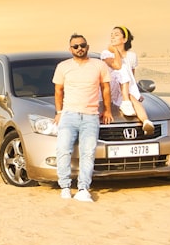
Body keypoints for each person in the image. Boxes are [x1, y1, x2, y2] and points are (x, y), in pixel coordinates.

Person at [53, 33, 113, 203]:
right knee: (63, 149)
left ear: (87, 46)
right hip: (69, 115)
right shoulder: (63, 67)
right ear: (70, 49)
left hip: (91, 116)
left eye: (82, 45)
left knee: (88, 152)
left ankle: (83, 188)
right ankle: (64, 187)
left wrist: (107, 110)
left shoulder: (99, 65)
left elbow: (105, 88)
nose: (80, 48)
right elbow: (58, 91)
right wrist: (59, 112)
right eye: (75, 46)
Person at [101, 25, 154, 133]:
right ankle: (126, 102)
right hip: (110, 87)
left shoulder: (132, 56)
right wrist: (115, 50)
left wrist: (136, 92)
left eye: (116, 35)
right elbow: (117, 66)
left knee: (132, 97)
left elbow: (132, 77)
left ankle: (146, 122)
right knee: (122, 70)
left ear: (124, 39)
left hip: (125, 89)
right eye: (111, 35)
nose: (112, 37)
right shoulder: (106, 53)